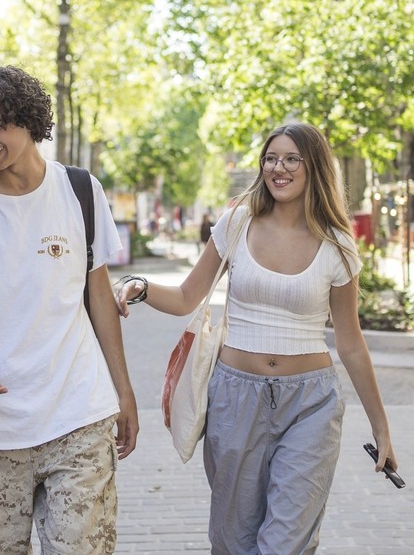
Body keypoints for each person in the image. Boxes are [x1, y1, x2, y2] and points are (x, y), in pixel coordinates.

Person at [116, 122, 398, 555]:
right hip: (235, 398)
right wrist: (143, 288)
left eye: (291, 159)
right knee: (233, 540)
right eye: (270, 158)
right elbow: (189, 295)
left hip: (311, 405)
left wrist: (382, 427)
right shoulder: (238, 222)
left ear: (314, 167)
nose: (277, 168)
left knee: (286, 542)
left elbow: (351, 343)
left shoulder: (338, 243)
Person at [0, 65, 139, 555]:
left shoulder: (79, 191)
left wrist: (124, 391)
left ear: (25, 119)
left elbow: (99, 296)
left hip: (78, 414)